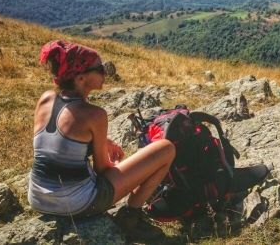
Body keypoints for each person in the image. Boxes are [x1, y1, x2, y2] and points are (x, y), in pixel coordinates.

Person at [28, 40, 175, 239]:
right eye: (98, 68)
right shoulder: (95, 115)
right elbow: (102, 170)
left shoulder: (46, 98)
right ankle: (131, 215)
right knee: (166, 149)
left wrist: (103, 141)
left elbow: (62, 136)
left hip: (37, 198)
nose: (104, 72)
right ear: (81, 78)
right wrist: (118, 165)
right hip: (78, 203)